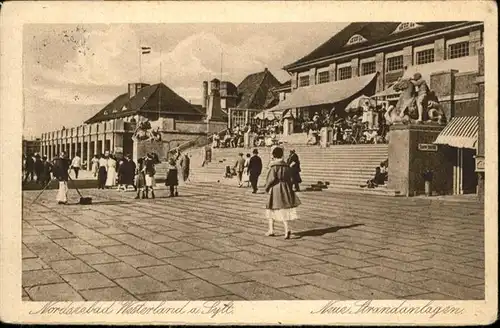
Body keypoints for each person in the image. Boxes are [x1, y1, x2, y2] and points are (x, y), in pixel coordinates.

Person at [264, 146, 301, 239]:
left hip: (275, 188)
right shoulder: (286, 166)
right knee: (283, 209)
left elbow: (271, 179)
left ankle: (271, 230)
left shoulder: (274, 166)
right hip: (285, 187)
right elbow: (290, 179)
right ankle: (286, 229)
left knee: (271, 208)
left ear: (274, 155)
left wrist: (267, 188)